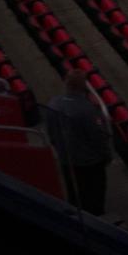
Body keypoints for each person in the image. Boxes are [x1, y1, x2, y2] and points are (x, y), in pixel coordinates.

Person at [44, 70, 114, 215]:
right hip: (89, 163)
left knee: (74, 193)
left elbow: (51, 133)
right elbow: (98, 138)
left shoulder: (53, 104)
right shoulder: (88, 110)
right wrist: (107, 156)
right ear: (84, 87)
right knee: (94, 198)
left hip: (66, 159)